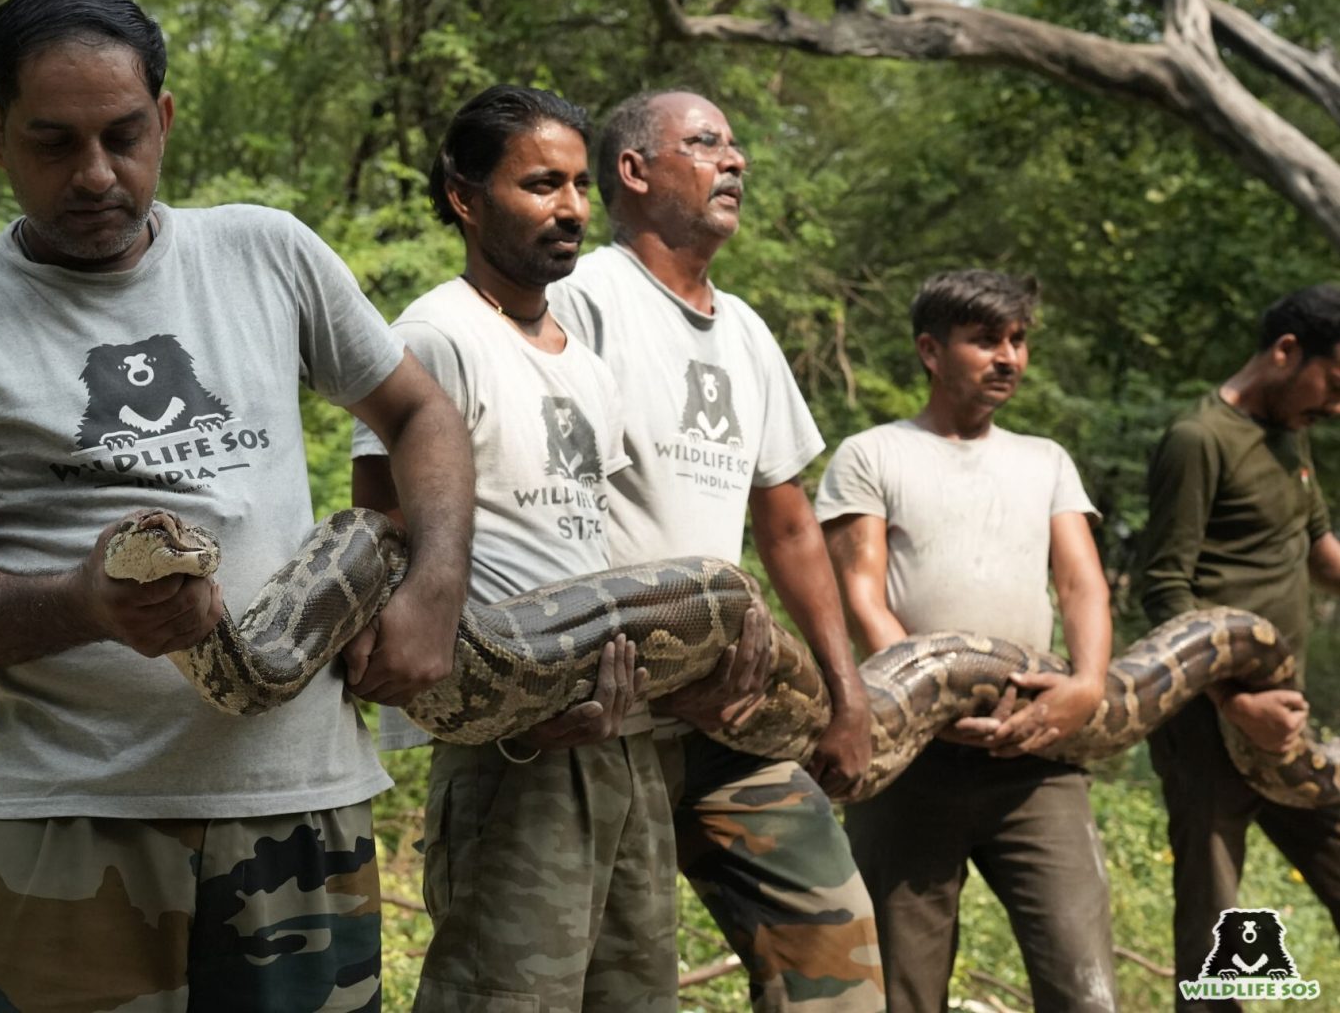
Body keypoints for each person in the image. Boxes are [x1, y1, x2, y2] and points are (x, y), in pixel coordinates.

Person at [0, 0, 474, 1011]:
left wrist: (435, 585)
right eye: (53, 143)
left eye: (124, 135)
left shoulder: (265, 252)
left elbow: (421, 416)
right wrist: (84, 603)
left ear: (167, 119)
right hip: (66, 823)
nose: (96, 174)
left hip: (299, 805)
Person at [551, 90, 885, 1012]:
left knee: (836, 960)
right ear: (634, 171)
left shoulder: (744, 331)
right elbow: (542, 497)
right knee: (608, 981)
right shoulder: (583, 301)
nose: (734, 161)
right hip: (606, 713)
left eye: (735, 147)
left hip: (734, 711)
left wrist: (844, 694)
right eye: (705, 145)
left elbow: (785, 525)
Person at [352, 84, 679, 1012]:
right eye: (540, 184)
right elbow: (378, 546)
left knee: (635, 995)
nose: (571, 208)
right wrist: (503, 714)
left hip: (613, 735)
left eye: (578, 185)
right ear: (465, 196)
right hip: (509, 749)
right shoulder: (432, 336)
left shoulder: (580, 356)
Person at [816, 270, 1116, 1013]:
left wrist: (1087, 685)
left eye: (1016, 340)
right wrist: (928, 696)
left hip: (1036, 757)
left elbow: (1081, 585)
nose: (1007, 357)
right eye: (985, 341)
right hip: (910, 759)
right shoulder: (871, 453)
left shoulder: (1042, 458)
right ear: (929, 349)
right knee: (901, 991)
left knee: (1083, 987)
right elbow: (862, 593)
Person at [1139, 283, 1340, 1008]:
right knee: (1216, 923)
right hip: (1205, 718)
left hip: (1283, 718)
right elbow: (1163, 588)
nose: (1337, 404)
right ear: (1286, 351)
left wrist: (1264, 710)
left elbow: (1317, 552)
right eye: (1335, 381)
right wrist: (1232, 702)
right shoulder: (1198, 439)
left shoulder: (1292, 433)